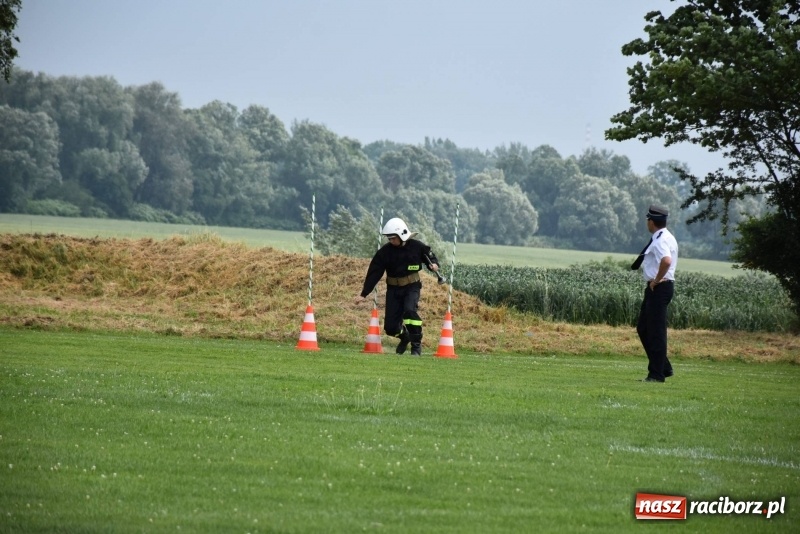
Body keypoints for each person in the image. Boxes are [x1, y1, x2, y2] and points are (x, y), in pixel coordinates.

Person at [354, 217, 440, 356]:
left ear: (402, 235)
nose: (391, 241)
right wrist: (364, 293)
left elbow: (430, 257)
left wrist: (434, 265)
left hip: (412, 287)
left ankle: (416, 345)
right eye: (389, 239)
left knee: (409, 312)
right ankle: (404, 336)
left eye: (393, 238)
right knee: (390, 328)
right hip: (393, 290)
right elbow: (374, 273)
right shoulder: (385, 252)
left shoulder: (417, 246)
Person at [631, 205, 679, 382]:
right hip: (657, 288)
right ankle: (663, 366)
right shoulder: (664, 236)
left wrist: (657, 280)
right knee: (643, 328)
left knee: (655, 332)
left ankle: (656, 374)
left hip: (659, 287)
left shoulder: (660, 241)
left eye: (647, 220)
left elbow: (666, 261)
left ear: (651, 222)